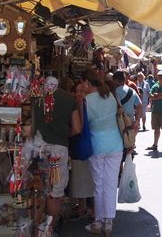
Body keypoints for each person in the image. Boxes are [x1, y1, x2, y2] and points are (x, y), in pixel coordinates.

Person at [33, 76, 80, 230]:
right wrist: (64, 134)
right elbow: (77, 128)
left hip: (38, 148)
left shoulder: (37, 97)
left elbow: (33, 126)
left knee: (39, 189)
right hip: (58, 150)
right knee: (55, 190)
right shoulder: (69, 100)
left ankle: (35, 228)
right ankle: (49, 229)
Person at [82, 69, 124, 235]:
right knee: (111, 183)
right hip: (115, 144)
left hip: (97, 145)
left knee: (98, 185)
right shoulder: (110, 96)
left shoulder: (86, 100)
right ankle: (108, 222)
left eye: (83, 82)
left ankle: (98, 221)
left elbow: (85, 124)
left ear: (87, 82)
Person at [69, 81, 95, 221]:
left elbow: (80, 126)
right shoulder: (88, 103)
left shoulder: (81, 104)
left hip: (81, 143)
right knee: (85, 175)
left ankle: (84, 207)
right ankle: (85, 206)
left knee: (82, 174)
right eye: (77, 91)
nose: (80, 94)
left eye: (83, 91)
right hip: (88, 143)